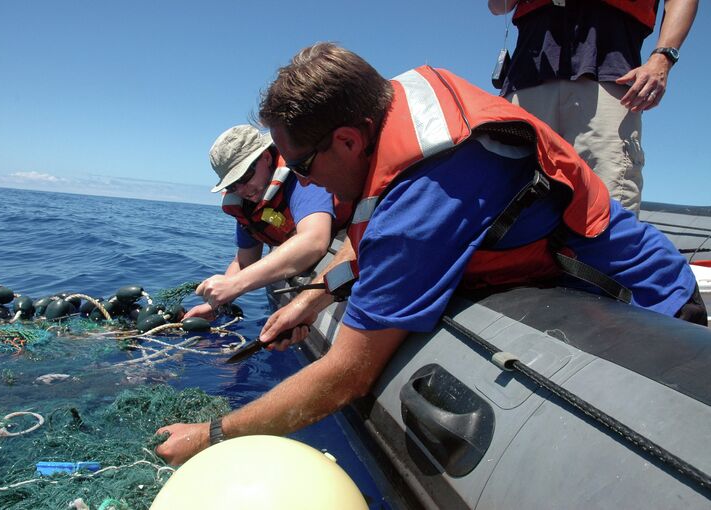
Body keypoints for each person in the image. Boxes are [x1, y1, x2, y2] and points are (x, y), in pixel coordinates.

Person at [155, 43, 705, 465]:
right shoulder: (390, 113)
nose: (303, 181)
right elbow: (376, 249)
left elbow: (347, 375)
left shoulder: (423, 201)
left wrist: (210, 437)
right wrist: (317, 296)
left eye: (300, 166)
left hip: (645, 314)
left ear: (347, 140)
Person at [487, 0, 698, 214]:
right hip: (525, 82)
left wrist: (663, 57)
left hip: (608, 77)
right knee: (509, 208)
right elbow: (497, 6)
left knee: (606, 209)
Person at [184, 124, 347, 321]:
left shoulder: (299, 177)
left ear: (267, 158)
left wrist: (235, 284)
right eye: (232, 185)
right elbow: (244, 260)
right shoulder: (248, 205)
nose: (242, 189)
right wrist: (215, 304)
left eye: (245, 177)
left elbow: (314, 241)